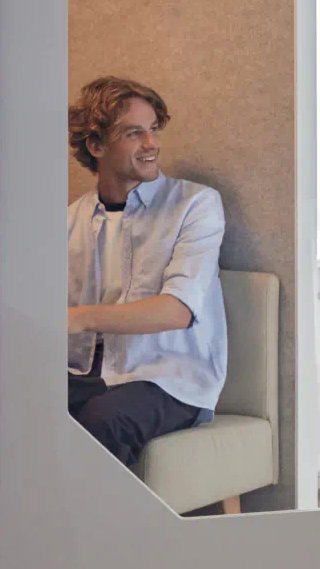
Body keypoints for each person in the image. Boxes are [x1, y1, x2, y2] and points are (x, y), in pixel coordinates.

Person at [67, 77, 227, 467]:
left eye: (153, 129)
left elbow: (177, 311)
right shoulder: (70, 220)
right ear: (96, 145)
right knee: (3, 400)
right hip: (86, 371)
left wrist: (77, 318)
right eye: (134, 133)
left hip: (168, 378)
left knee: (103, 421)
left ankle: (90, 512)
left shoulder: (196, 205)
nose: (151, 143)